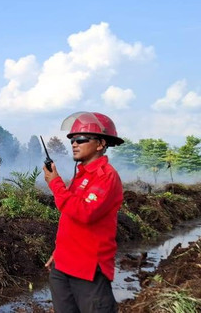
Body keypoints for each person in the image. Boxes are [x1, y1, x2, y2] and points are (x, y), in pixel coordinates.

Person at [43, 111, 124, 313]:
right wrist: (59, 252)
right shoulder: (81, 176)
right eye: (72, 139)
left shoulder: (106, 176)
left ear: (100, 144)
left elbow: (85, 213)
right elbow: (70, 216)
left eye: (81, 139)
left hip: (88, 269)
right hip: (63, 267)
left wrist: (55, 183)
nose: (74, 144)